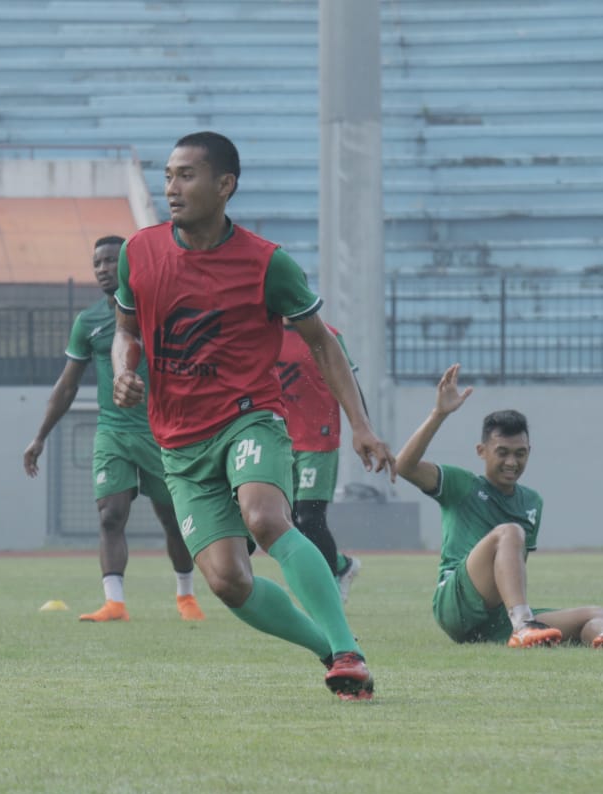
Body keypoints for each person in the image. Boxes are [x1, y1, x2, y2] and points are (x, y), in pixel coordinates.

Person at [111, 131, 396, 700]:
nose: (171, 187)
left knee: (265, 519)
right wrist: (124, 366)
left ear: (225, 185)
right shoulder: (137, 253)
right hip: (179, 445)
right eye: (168, 175)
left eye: (186, 175)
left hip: (249, 418)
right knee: (228, 580)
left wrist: (361, 424)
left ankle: (348, 650)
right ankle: (331, 651)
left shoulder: (268, 264)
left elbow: (323, 344)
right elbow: (124, 330)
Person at [394, 363, 603, 649]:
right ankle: (525, 626)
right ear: (482, 451)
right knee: (510, 532)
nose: (512, 462)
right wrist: (439, 414)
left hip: (499, 618)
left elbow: (513, 569)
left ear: (530, 452)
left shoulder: (531, 501)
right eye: (502, 453)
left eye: (520, 453)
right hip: (455, 605)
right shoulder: (462, 485)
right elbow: (404, 466)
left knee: (598, 613)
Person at [24, 235, 204, 623]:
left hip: (162, 433)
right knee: (110, 515)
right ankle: (115, 603)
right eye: (97, 263)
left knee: (172, 519)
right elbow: (68, 384)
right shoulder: (88, 322)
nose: (103, 269)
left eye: (111, 261)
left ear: (127, 266)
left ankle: (186, 596)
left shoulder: (160, 314)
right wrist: (40, 436)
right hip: (113, 432)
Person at [278, 319, 363, 604]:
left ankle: (328, 585)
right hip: (279, 440)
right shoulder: (262, 331)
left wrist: (364, 428)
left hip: (317, 439)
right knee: (286, 520)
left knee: (310, 516)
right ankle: (342, 565)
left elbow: (349, 382)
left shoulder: (326, 335)